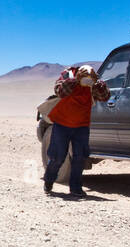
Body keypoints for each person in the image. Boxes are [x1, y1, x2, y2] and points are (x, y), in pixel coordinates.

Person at [44, 64, 109, 197]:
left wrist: (97, 84)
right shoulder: (69, 75)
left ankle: (75, 188)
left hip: (81, 126)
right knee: (58, 157)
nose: (86, 80)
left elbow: (105, 97)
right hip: (62, 123)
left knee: (80, 157)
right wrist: (75, 81)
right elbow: (60, 92)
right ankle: (49, 180)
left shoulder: (93, 82)